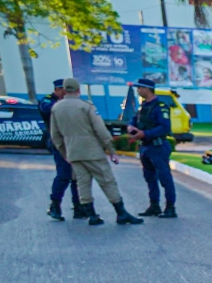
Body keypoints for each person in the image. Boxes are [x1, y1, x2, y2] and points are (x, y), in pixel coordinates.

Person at [46, 79, 142, 226]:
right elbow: (100, 130)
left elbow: (55, 135)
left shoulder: (56, 108)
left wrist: (65, 153)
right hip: (92, 151)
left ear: (65, 89)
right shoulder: (86, 106)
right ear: (78, 90)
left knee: (82, 183)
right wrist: (111, 150)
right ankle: (121, 212)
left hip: (73, 152)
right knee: (107, 181)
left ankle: (91, 215)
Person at [125, 77, 177, 219]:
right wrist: (130, 127)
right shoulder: (143, 106)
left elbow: (164, 127)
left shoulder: (160, 107)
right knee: (149, 178)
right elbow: (134, 120)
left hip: (158, 147)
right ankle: (154, 205)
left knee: (164, 178)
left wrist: (145, 134)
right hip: (146, 147)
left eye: (140, 88)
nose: (138, 90)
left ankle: (170, 207)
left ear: (147, 89)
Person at [41, 79, 79, 221]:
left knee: (78, 175)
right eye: (64, 90)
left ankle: (79, 206)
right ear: (58, 89)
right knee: (64, 174)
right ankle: (55, 204)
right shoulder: (48, 100)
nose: (67, 92)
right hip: (59, 142)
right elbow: (47, 110)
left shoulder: (70, 102)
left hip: (73, 141)